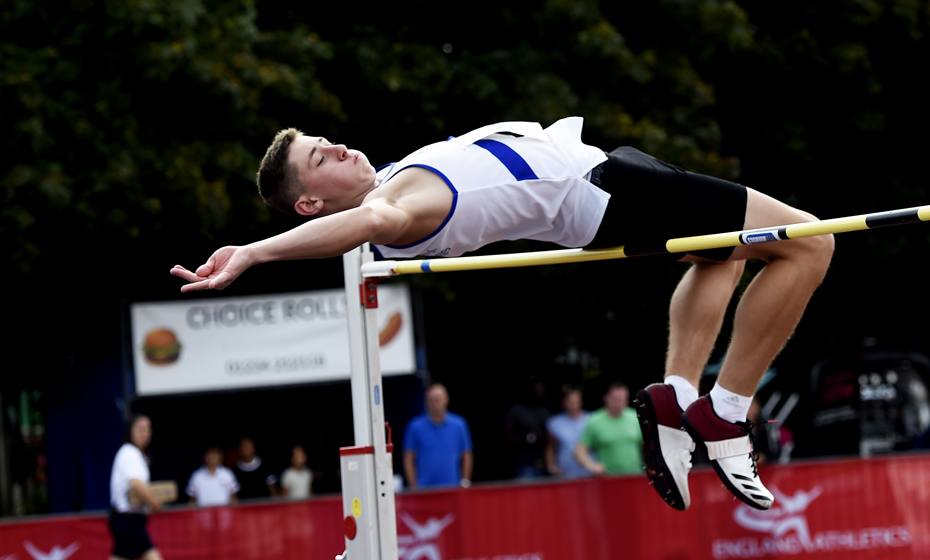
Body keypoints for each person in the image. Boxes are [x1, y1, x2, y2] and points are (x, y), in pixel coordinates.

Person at [171, 116, 835, 511]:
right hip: (606, 192)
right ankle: (724, 414)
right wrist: (253, 254)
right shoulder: (393, 212)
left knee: (722, 254)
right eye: (321, 159)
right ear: (310, 204)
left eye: (327, 141)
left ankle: (678, 400)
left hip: (603, 181)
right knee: (811, 243)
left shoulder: (391, 181)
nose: (339, 148)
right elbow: (363, 224)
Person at [108, 414, 164, 560]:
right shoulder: (129, 452)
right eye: (140, 429)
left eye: (148, 429)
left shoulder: (139, 455)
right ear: (130, 431)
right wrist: (154, 502)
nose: (145, 433)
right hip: (128, 519)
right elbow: (136, 483)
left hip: (132, 520)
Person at [402, 383, 473, 489]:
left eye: (438, 399)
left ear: (446, 399)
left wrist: (465, 482)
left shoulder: (459, 424)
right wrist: (414, 487)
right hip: (425, 490)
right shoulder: (415, 426)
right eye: (431, 400)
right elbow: (408, 458)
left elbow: (466, 454)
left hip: (453, 488)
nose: (435, 404)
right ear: (426, 402)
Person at [574, 382, 643, 476]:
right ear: (606, 398)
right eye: (616, 400)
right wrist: (592, 466)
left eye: (623, 399)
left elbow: (648, 447)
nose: (620, 403)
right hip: (607, 478)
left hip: (634, 477)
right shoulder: (595, 421)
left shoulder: (635, 417)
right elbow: (580, 451)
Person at [504, 380, 551, 479]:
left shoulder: (545, 410)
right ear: (531, 390)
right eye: (537, 389)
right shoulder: (516, 410)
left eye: (542, 389)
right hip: (523, 462)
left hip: (543, 461)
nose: (540, 392)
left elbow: (550, 437)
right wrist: (528, 438)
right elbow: (508, 436)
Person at [545, 387, 591, 478]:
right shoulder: (554, 423)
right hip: (566, 473)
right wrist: (551, 466)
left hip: (590, 472)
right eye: (570, 402)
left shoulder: (592, 419)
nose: (574, 405)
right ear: (563, 402)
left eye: (577, 401)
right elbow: (551, 447)